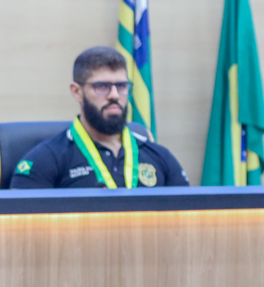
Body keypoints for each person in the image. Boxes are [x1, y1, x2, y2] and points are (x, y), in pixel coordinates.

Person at [10, 46, 189, 189]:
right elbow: (22, 229)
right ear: (77, 92)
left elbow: (189, 221)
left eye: (121, 86)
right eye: (102, 86)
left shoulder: (160, 157)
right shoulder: (45, 160)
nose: (114, 95)